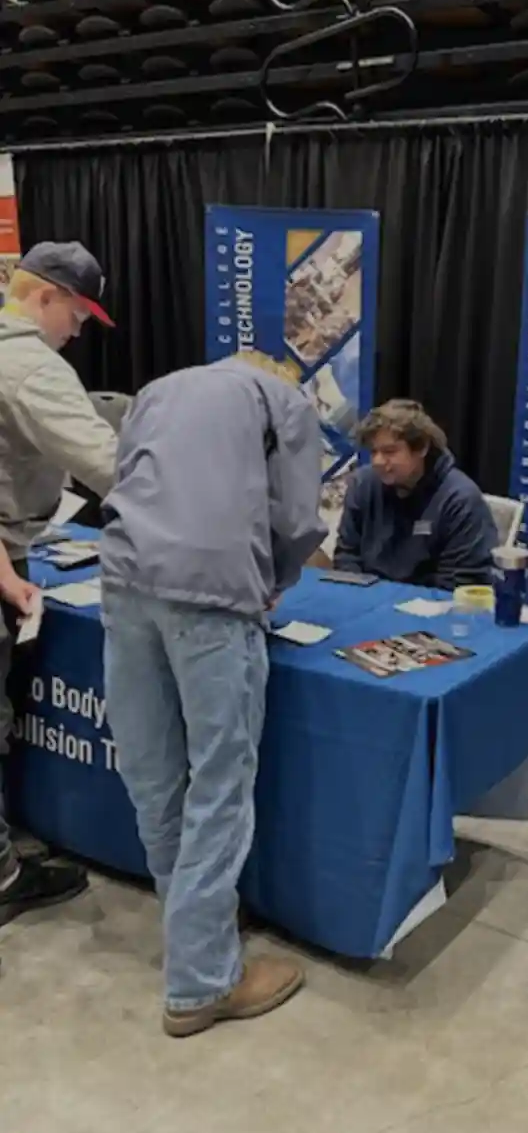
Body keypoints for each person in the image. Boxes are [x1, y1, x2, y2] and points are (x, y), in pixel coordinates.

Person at [99, 352, 326, 1038]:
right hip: (211, 592)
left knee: (151, 769)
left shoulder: (157, 387)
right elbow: (297, 514)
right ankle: (202, 982)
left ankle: (193, 925)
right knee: (220, 782)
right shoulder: (284, 400)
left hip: (125, 578)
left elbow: (124, 476)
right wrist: (275, 578)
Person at [0, 241, 118, 922]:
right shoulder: (28, 366)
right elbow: (108, 462)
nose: (77, 334)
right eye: (75, 316)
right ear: (45, 297)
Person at [334, 399, 498, 590]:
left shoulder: (461, 501)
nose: (378, 461)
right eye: (374, 451)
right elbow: (347, 557)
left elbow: (460, 585)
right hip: (366, 602)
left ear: (421, 448)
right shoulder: (362, 485)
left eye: (390, 451)